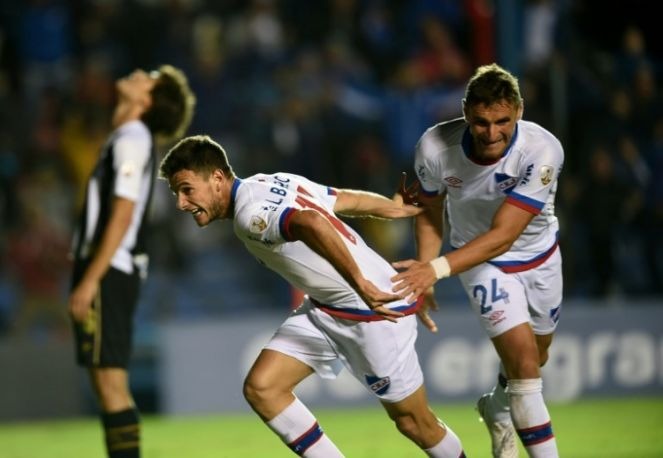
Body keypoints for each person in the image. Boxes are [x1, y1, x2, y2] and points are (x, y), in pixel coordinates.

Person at [159, 134, 466, 458]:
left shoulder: (251, 216)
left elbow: (311, 221)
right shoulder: (272, 181)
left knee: (414, 422)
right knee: (263, 387)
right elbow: (340, 198)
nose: (181, 203)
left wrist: (359, 283)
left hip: (374, 311)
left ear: (217, 178)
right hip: (326, 309)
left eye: (186, 189)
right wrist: (390, 208)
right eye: (176, 193)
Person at [391, 63, 563, 458]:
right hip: (477, 261)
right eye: (481, 122)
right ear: (466, 111)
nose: (491, 133)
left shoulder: (543, 150)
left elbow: (505, 234)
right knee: (523, 364)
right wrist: (427, 270)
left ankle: (497, 408)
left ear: (518, 110)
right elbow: (430, 210)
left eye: (502, 121)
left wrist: (433, 269)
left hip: (538, 256)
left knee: (537, 356)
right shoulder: (435, 147)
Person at [68, 65, 195, 458]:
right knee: (105, 385)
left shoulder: (133, 137)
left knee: (111, 386)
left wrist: (91, 278)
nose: (138, 72)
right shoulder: (128, 137)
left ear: (147, 101)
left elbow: (123, 212)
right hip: (110, 268)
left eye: (149, 77)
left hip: (109, 269)